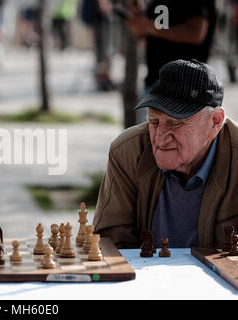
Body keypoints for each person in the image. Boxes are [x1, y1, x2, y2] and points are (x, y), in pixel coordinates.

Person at [93, 59, 238, 249]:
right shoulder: (128, 152)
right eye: (153, 121)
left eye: (175, 123)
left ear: (215, 121)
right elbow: (111, 244)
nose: (160, 138)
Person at [124, 0, 217, 122]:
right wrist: (138, 20)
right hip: (155, 84)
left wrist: (149, 27)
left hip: (187, 87)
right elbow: (145, 36)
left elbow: (196, 33)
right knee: (151, 139)